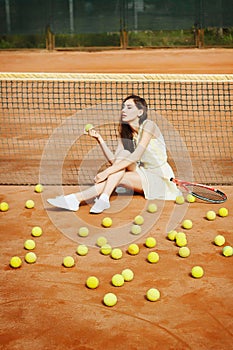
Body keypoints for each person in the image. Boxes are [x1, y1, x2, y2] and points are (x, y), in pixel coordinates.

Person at [47, 95, 181, 213]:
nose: (123, 110)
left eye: (129, 107)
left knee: (121, 176)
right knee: (123, 154)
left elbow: (136, 156)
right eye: (123, 107)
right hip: (143, 172)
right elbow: (115, 161)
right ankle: (99, 199)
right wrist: (100, 140)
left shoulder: (149, 125)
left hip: (159, 177)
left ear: (140, 112)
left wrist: (106, 173)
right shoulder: (126, 133)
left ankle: (79, 199)